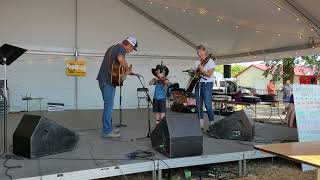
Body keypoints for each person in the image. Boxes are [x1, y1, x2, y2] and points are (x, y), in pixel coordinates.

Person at [96, 36, 138, 138]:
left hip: (102, 80)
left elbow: (114, 65)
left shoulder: (112, 47)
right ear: (129, 44)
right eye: (132, 48)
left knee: (107, 105)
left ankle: (107, 127)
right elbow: (120, 58)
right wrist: (128, 69)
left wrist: (124, 72)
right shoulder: (121, 48)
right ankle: (107, 131)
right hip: (108, 82)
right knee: (109, 106)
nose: (131, 51)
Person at [193, 45, 216, 130]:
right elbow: (194, 74)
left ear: (205, 51)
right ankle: (201, 125)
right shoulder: (196, 62)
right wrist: (193, 73)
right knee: (198, 105)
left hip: (207, 84)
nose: (199, 54)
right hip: (198, 84)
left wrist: (202, 71)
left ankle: (212, 124)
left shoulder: (211, 62)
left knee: (208, 105)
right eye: (197, 52)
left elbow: (209, 74)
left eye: (200, 52)